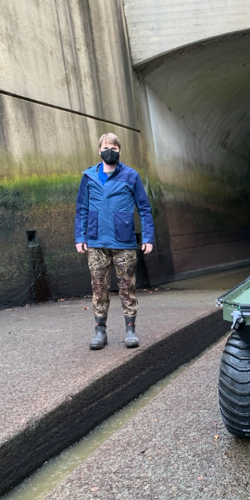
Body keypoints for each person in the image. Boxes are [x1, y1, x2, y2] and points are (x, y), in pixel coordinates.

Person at [75, 133, 154, 350]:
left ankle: (130, 330)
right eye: (106, 147)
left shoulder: (131, 176)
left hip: (124, 242)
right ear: (100, 150)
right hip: (96, 241)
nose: (110, 150)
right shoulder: (88, 177)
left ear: (120, 151)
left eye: (115, 148)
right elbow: (81, 208)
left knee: (127, 286)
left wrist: (147, 237)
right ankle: (100, 331)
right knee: (98, 287)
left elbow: (144, 209)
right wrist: (80, 237)